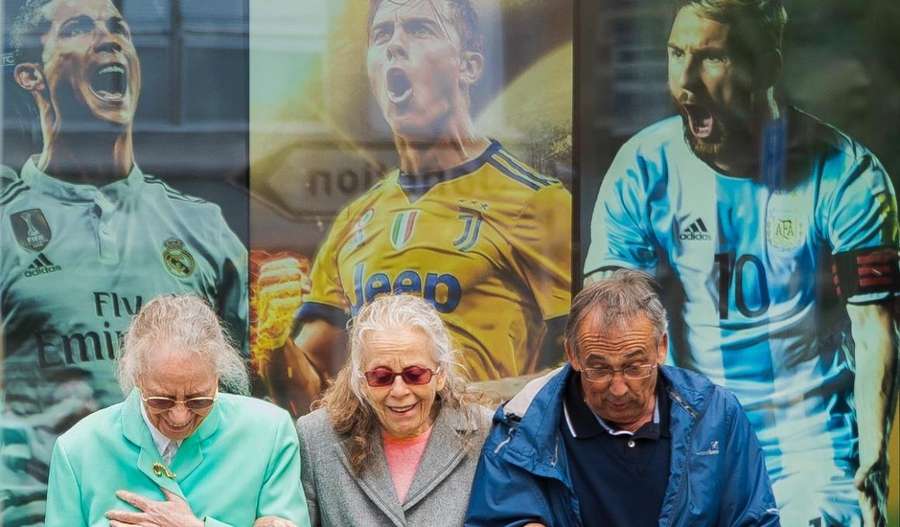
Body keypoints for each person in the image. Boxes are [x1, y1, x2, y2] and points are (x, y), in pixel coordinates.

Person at [584, 1, 899, 525]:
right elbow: (612, 326)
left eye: (712, 58)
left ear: (769, 66)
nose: (685, 80)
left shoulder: (847, 176)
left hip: (813, 448)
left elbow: (874, 333)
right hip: (695, 443)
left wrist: (871, 466)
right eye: (676, 52)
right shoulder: (643, 168)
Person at [256, 0, 572, 413]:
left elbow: (580, 369)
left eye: (420, 29)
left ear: (470, 66)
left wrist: (466, 402)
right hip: (374, 466)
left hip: (480, 461)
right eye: (382, 34)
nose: (395, 46)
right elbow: (309, 394)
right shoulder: (354, 221)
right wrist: (275, 345)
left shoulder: (538, 202)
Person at [0, 0, 248, 524]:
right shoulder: (6, 223)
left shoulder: (203, 229)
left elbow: (243, 405)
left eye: (118, 28)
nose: (109, 39)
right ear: (30, 75)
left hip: (180, 512)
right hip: (34, 511)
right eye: (78, 28)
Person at [465, 270, 779, 527]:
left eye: (633, 366)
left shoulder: (715, 414)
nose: (618, 388)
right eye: (599, 369)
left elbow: (754, 518)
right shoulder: (523, 426)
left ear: (661, 348)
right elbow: (499, 518)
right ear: (573, 354)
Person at [43, 295, 307, 527]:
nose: (179, 417)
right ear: (137, 378)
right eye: (161, 400)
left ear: (218, 377)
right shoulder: (78, 451)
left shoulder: (268, 432)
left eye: (198, 400)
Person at [296, 294, 492, 526]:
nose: (399, 391)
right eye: (381, 377)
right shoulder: (316, 436)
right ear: (360, 380)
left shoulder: (485, 431)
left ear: (441, 375)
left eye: (415, 374)